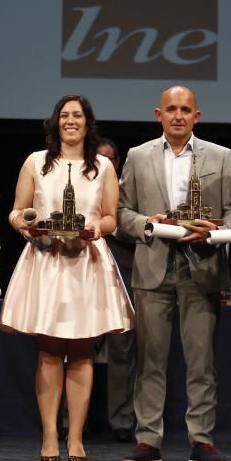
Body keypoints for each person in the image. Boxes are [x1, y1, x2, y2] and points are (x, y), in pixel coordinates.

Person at [0, 97, 133, 461]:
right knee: (49, 351)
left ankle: (75, 438)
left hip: (87, 263)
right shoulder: (35, 163)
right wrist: (24, 222)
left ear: (88, 123)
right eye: (64, 115)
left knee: (81, 353)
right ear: (55, 123)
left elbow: (110, 218)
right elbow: (16, 211)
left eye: (77, 116)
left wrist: (96, 229)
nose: (70, 121)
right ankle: (48, 437)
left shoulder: (103, 166)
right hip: (47, 260)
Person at [118, 85, 231, 461]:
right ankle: (147, 439)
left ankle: (201, 439)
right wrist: (146, 223)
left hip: (201, 264)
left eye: (185, 109)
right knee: (150, 359)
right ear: (158, 114)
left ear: (196, 116)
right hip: (154, 265)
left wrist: (215, 229)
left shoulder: (220, 156)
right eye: (171, 109)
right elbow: (122, 212)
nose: (178, 115)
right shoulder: (138, 156)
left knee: (201, 360)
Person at [98, 137, 137, 443]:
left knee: (123, 353)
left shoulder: (128, 192)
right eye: (100, 157)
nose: (106, 162)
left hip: (122, 278)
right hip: (81, 278)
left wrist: (111, 223)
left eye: (111, 158)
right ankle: (68, 421)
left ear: (119, 163)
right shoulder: (78, 187)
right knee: (75, 349)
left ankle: (122, 421)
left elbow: (139, 231)